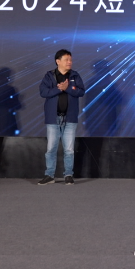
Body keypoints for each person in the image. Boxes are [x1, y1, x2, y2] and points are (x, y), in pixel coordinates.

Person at [38, 49, 86, 185]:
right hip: (53, 118)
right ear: (58, 61)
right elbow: (43, 92)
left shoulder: (75, 75)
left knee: (69, 149)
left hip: (70, 118)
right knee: (51, 149)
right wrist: (59, 88)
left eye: (70, 59)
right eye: (66, 60)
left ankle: (68, 175)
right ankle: (49, 175)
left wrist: (68, 88)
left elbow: (81, 91)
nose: (69, 62)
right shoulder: (49, 76)